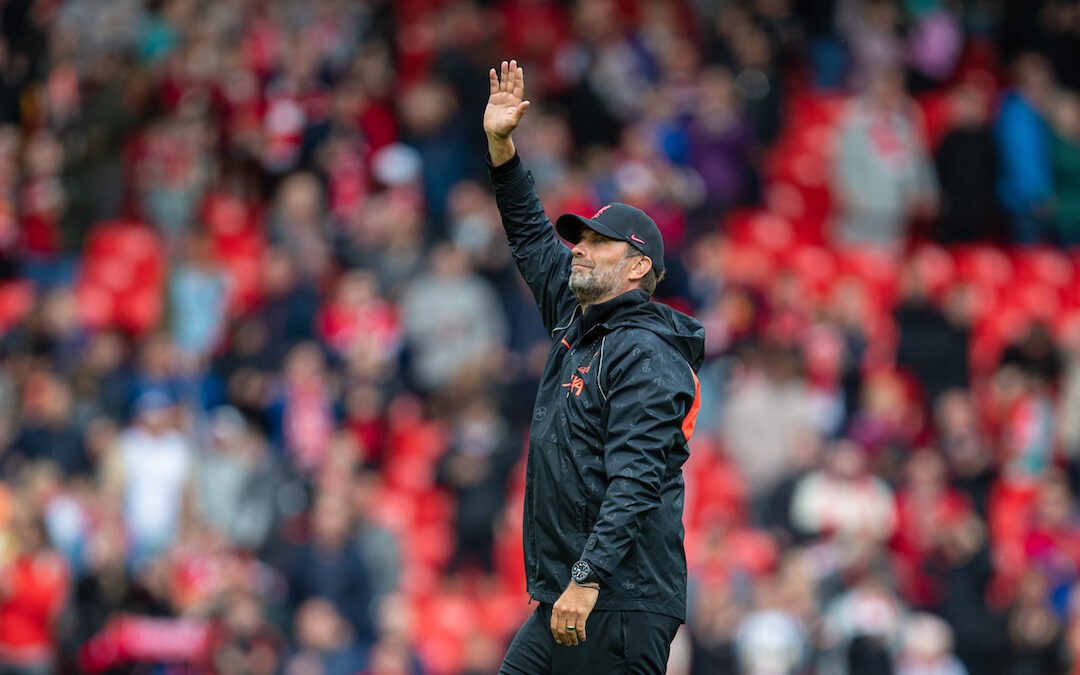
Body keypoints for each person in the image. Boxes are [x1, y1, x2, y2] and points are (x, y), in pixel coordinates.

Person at [484, 60, 705, 674]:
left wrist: (588, 579)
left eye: (596, 242)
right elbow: (531, 235)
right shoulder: (577, 321)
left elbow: (635, 477)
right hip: (571, 596)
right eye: (578, 239)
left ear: (637, 268)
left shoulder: (647, 352)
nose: (577, 247)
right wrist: (502, 150)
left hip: (622, 600)